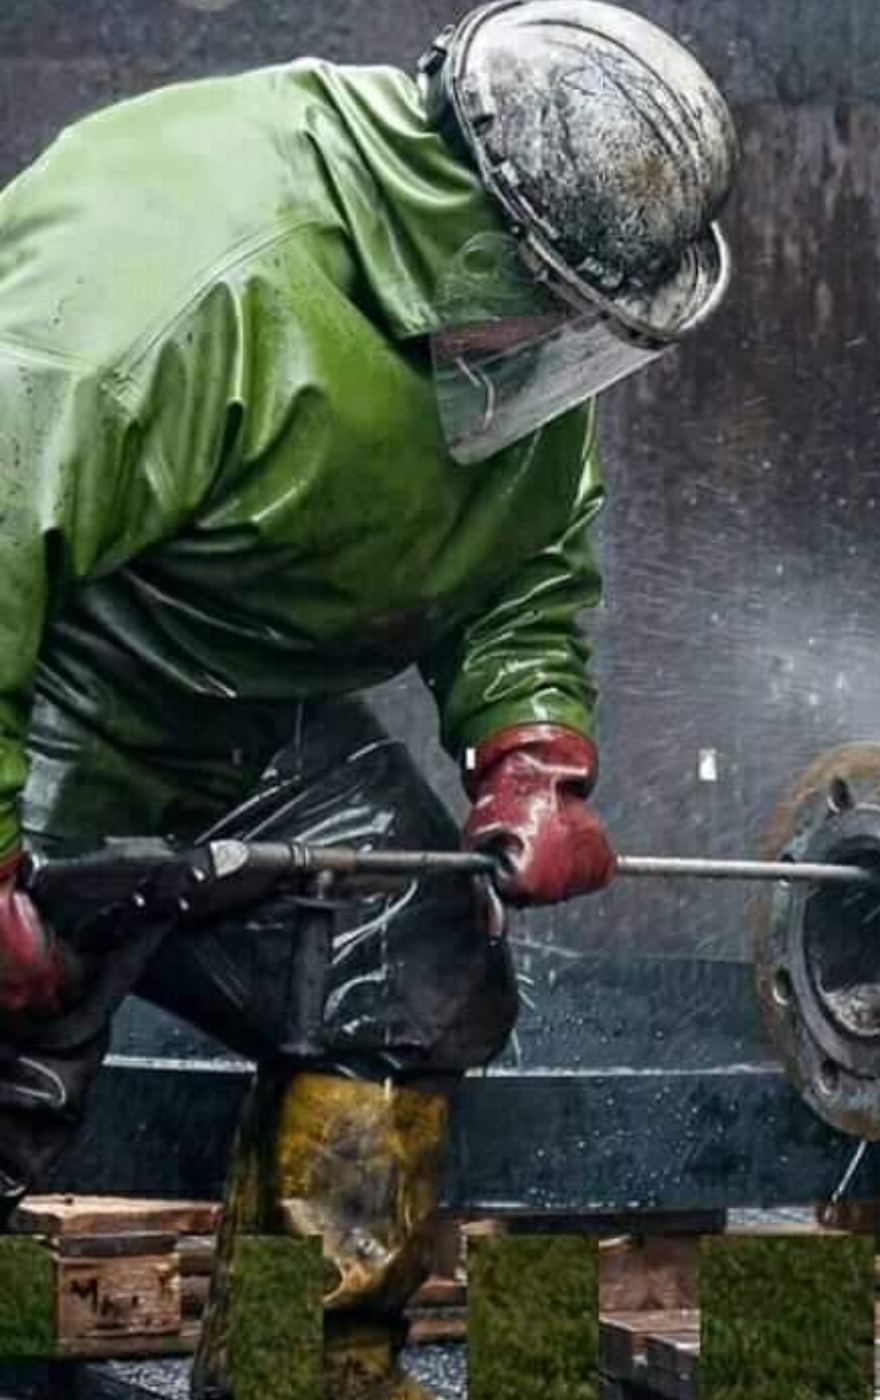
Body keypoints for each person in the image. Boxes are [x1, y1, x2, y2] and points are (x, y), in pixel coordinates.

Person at [0, 1, 737, 1394]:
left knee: (404, 943)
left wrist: (530, 750)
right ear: (492, 240)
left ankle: (308, 1364)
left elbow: (526, 545)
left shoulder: (508, 319)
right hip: (47, 682)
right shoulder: (176, 280)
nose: (578, 354)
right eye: (574, 318)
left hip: (243, 713)